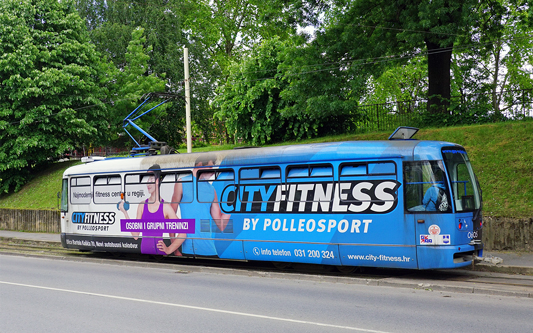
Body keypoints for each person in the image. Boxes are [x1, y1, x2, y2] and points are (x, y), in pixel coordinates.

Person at [171, 154, 231, 257]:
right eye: (210, 167)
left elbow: (221, 225)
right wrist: (174, 248)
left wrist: (232, 206)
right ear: (199, 165)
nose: (213, 171)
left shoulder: (211, 190)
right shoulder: (182, 183)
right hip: (189, 249)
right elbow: (170, 216)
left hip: (211, 250)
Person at [119, 164, 186, 255]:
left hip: (159, 253)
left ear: (157, 181)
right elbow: (135, 235)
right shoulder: (142, 205)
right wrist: (125, 213)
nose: (148, 183)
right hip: (144, 253)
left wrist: (169, 249)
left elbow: (184, 231)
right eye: (147, 179)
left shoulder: (165, 207)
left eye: (151, 179)